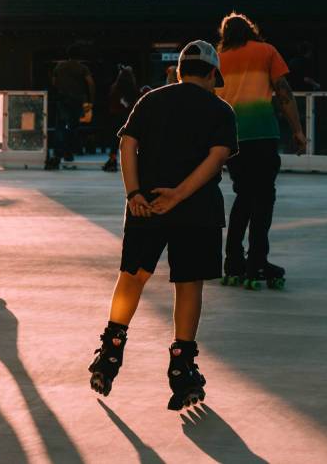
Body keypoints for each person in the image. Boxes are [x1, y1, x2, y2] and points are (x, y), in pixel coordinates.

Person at [88, 40, 237, 409]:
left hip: (146, 206)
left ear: (179, 70)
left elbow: (127, 145)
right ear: (214, 74)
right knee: (187, 285)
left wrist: (134, 193)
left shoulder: (150, 100)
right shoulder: (221, 110)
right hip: (197, 210)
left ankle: (110, 351)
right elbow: (217, 157)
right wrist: (181, 194)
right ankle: (182, 366)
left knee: (133, 275)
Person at [216, 13, 307, 289]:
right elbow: (283, 92)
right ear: (251, 30)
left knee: (243, 196)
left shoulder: (218, 59)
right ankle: (258, 261)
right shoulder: (266, 52)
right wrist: (298, 131)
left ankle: (232, 262)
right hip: (263, 134)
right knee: (264, 198)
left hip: (232, 138)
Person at [47, 44, 95, 169]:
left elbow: (53, 82)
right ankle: (68, 152)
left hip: (62, 99)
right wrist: (91, 99)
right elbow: (90, 83)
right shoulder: (82, 68)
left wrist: (59, 91)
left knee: (60, 126)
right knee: (73, 127)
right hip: (77, 100)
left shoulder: (59, 66)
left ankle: (58, 153)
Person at [102, 66, 139, 173]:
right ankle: (131, 162)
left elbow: (111, 102)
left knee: (114, 140)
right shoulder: (133, 88)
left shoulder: (115, 87)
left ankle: (112, 160)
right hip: (129, 117)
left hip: (116, 116)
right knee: (130, 140)